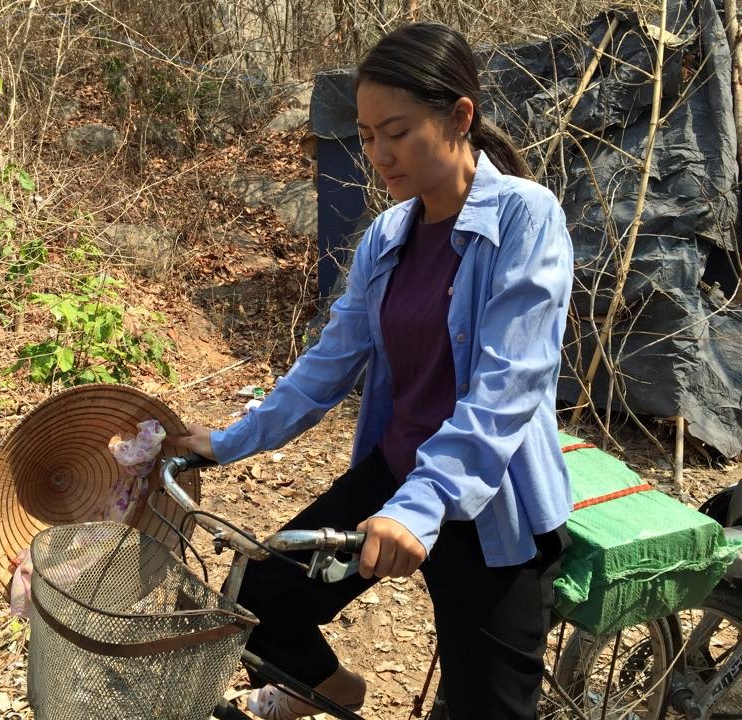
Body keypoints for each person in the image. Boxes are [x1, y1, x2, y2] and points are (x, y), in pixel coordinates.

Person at [170, 21, 575, 720]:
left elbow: (508, 388)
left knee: (491, 708)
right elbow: (329, 363)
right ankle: (332, 695)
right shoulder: (388, 235)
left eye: (397, 132)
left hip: (490, 505)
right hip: (398, 475)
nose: (378, 155)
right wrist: (230, 440)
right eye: (365, 135)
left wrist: (418, 510)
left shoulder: (525, 218)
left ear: (459, 117)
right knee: (260, 598)